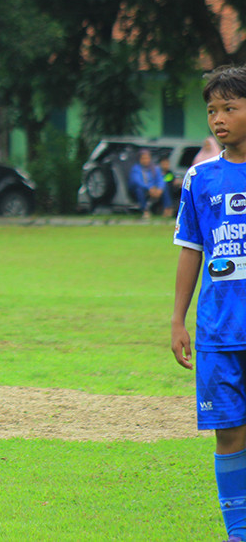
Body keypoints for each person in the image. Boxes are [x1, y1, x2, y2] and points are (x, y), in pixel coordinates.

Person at [171, 65, 246, 542]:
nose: (219, 118)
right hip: (218, 330)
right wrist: (178, 320)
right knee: (229, 431)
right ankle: (238, 531)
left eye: (230, 108)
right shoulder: (199, 178)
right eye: (212, 110)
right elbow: (190, 250)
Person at [128, 148, 172, 219]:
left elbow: (161, 179)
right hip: (143, 189)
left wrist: (159, 189)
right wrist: (149, 188)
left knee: (165, 186)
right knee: (139, 189)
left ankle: (167, 208)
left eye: (147, 158)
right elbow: (137, 181)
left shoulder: (155, 168)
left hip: (154, 189)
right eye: (143, 158)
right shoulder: (136, 169)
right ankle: (145, 210)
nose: (146, 160)